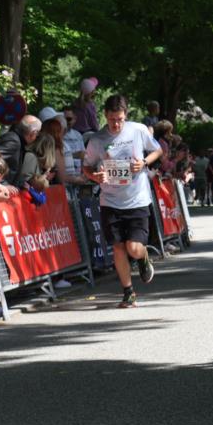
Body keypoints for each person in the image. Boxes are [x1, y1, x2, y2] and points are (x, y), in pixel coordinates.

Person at [83, 94, 163, 308]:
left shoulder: (138, 130)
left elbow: (158, 150)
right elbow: (87, 166)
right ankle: (128, 293)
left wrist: (143, 162)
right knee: (118, 247)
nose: (116, 124)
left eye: (119, 119)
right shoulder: (97, 139)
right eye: (111, 120)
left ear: (126, 115)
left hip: (137, 199)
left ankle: (143, 257)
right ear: (105, 115)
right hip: (110, 201)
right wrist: (94, 176)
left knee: (133, 248)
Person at [0, 114, 42, 186]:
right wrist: (3, 184)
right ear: (33, 133)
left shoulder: (18, 141)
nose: (36, 137)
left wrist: (21, 183)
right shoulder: (13, 141)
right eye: (37, 134)